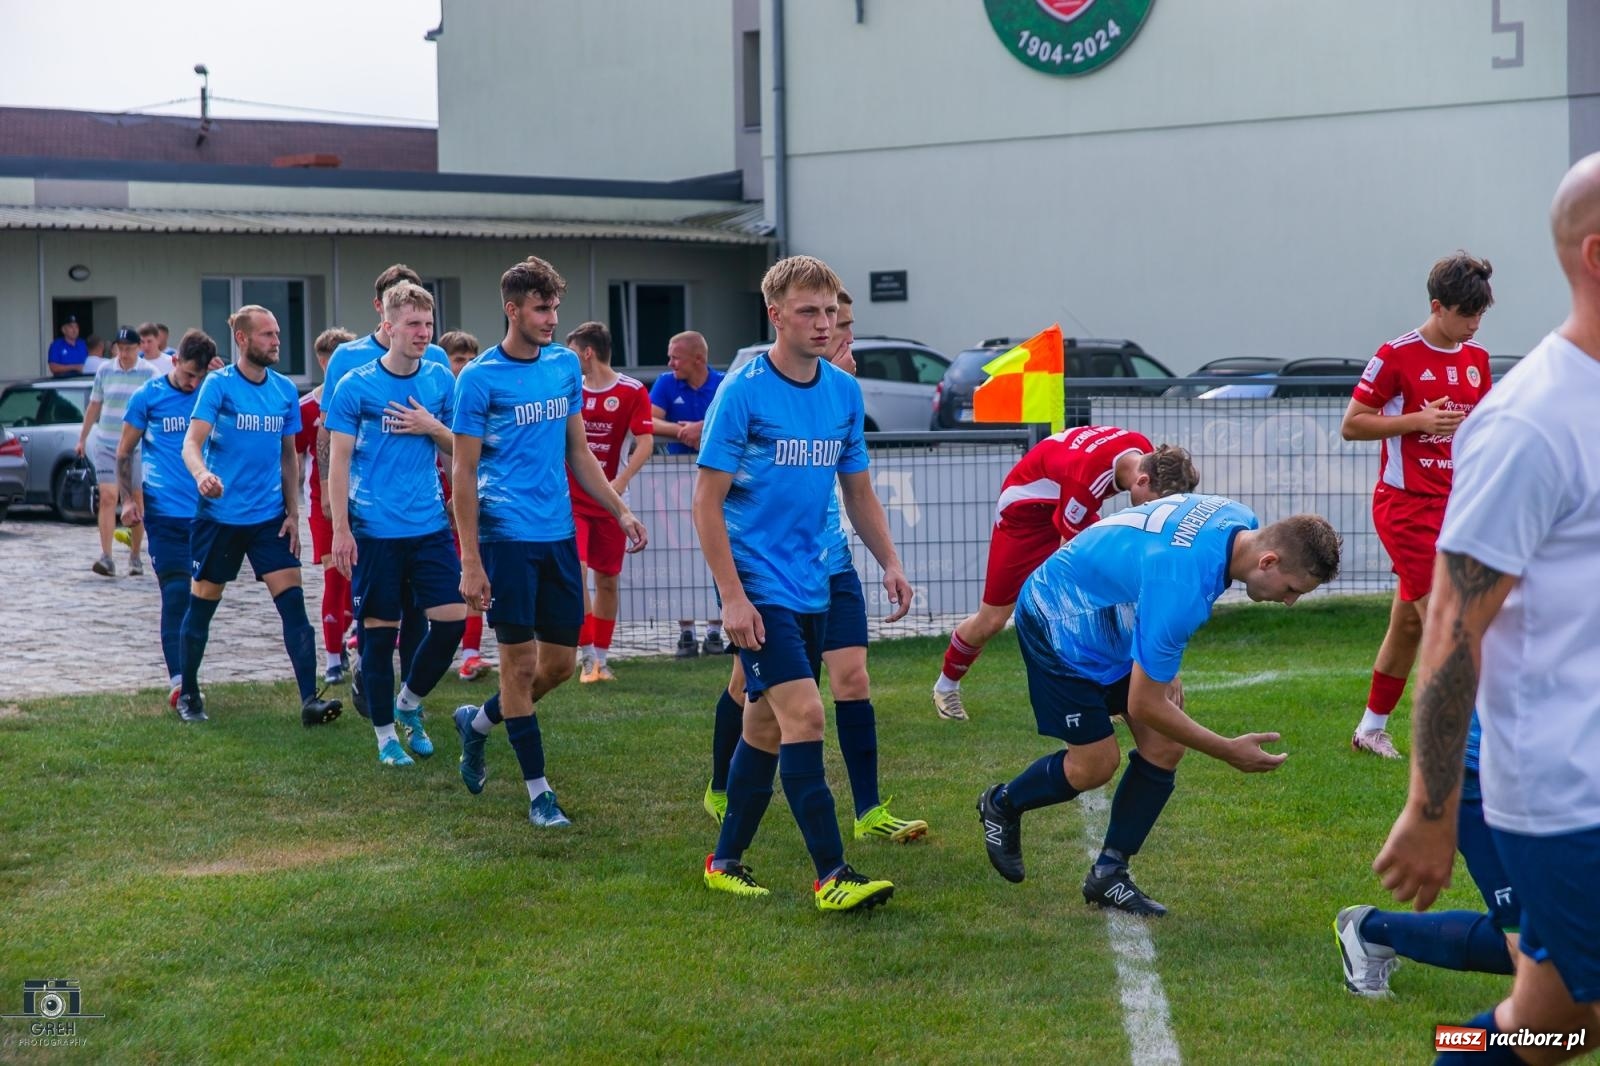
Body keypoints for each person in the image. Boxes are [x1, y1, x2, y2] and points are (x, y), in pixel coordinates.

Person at [1375, 152, 1600, 1064]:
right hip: (1572, 792)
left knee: (1556, 1025)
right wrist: (1431, 807)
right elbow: (1450, 626)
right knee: (1557, 1027)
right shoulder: (1529, 422)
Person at [977, 499, 1340, 916]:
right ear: (1268, 561)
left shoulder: (1239, 520)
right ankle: (1002, 803)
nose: (1290, 601)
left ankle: (1109, 874)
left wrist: (1162, 662)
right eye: (1292, 589)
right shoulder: (1181, 588)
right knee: (1094, 766)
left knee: (1165, 749)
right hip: (1060, 624)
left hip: (1114, 619)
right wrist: (1228, 750)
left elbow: (1154, 559)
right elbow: (1144, 704)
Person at [697, 255, 913, 912]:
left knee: (764, 728)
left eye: (829, 313)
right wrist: (732, 597)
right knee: (806, 715)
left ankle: (725, 860)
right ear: (777, 316)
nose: (823, 324)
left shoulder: (844, 394)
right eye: (808, 312)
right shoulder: (743, 391)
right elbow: (705, 503)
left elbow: (858, 491)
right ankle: (832, 875)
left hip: (816, 580)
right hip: (757, 585)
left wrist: (891, 562)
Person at [450, 258, 646, 827]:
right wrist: (470, 559)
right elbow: (463, 473)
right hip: (506, 539)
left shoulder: (563, 366)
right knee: (517, 666)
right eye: (541, 308)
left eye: (555, 307)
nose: (552, 319)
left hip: (559, 536)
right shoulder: (479, 378)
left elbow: (578, 452)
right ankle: (540, 793)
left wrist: (619, 508)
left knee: (559, 666)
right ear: (512, 309)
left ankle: (479, 723)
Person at [932, 429, 1200, 722]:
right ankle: (946, 686)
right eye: (1153, 502)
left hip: (1063, 503)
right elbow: (1070, 566)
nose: (1152, 510)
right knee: (993, 619)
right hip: (1024, 516)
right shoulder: (1084, 481)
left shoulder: (1143, 452)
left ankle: (1111, 694)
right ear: (1143, 480)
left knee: (1109, 597)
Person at [1340, 252, 1494, 759]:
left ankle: (1370, 729)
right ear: (1437, 306)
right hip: (1407, 508)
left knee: (1409, 623)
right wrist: (1416, 421)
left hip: (1458, 506)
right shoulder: (1396, 355)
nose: (1473, 324)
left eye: (1480, 315)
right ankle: (1474, 744)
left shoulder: (1476, 359)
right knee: (1450, 628)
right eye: (1465, 314)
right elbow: (1353, 423)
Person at [173, 305, 342, 727]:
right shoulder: (219, 386)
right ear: (244, 340)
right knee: (202, 608)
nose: (276, 341)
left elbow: (290, 459)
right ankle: (189, 693)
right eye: (267, 334)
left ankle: (309, 701)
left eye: (278, 333)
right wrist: (202, 474)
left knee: (294, 610)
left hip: (269, 520)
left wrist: (292, 513)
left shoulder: (284, 390)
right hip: (219, 518)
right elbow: (191, 444)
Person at [326, 283, 465, 767]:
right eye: (412, 324)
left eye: (428, 324)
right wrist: (341, 529)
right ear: (388, 327)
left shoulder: (440, 379)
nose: (423, 333)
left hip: (429, 526)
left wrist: (432, 426)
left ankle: (408, 704)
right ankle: (386, 736)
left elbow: (459, 450)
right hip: (375, 530)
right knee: (380, 637)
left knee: (452, 621)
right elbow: (337, 463)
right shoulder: (356, 385)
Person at [1335, 709, 1516, 997]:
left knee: (1566, 941)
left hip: (1565, 783)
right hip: (1488, 776)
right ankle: (1372, 932)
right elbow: (1442, 679)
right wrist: (1426, 808)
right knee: (1542, 950)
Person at [116, 330, 219, 708]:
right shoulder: (149, 396)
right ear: (174, 361)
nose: (193, 383)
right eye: (189, 374)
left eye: (200, 376)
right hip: (163, 514)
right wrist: (128, 499)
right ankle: (180, 682)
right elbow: (125, 452)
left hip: (207, 516)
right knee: (175, 596)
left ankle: (189, 672)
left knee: (201, 602)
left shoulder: (213, 393)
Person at [564, 321, 654, 683]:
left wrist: (618, 482)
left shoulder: (632, 391)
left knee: (608, 581)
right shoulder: (572, 392)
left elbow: (645, 442)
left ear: (587, 352)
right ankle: (586, 655)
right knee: (577, 572)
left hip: (612, 502)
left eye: (572, 353)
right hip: (572, 500)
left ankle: (601, 657)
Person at [649, 330, 727, 658]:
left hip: (718, 479)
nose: (670, 363)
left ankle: (714, 630)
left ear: (698, 359)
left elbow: (733, 420)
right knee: (681, 549)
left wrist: (701, 428)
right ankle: (686, 632)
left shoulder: (723, 383)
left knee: (718, 546)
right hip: (675, 481)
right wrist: (686, 430)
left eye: (676, 357)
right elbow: (647, 422)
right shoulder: (667, 383)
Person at [294, 327, 357, 684]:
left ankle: (353, 635)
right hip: (325, 506)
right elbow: (293, 456)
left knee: (358, 579)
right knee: (335, 577)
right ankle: (333, 658)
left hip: (363, 501)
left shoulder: (363, 396)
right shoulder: (308, 408)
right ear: (323, 362)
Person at [75, 326, 155, 577]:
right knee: (108, 496)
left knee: (136, 500)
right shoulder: (105, 370)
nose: (124, 353)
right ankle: (107, 556)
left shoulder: (149, 373)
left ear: (139, 348)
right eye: (121, 348)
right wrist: (83, 437)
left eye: (129, 348)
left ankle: (134, 555)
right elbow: (95, 405)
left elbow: (154, 409)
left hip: (136, 446)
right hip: (107, 442)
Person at [438, 330, 491, 681]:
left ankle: (471, 652)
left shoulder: (478, 396)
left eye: (471, 358)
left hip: (467, 495)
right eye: (459, 358)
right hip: (432, 496)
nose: (466, 365)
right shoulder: (437, 395)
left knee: (472, 569)